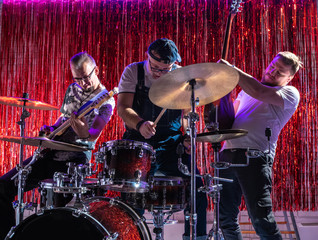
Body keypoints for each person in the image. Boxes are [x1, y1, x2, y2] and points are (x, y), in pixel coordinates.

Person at [0, 51, 115, 239]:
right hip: (50, 153)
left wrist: (84, 132)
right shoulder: (72, 89)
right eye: (78, 79)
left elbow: (92, 135)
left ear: (97, 70)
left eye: (86, 77)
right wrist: (50, 129)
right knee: (3, 187)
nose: (83, 83)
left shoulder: (106, 100)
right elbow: (62, 120)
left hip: (74, 161)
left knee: (55, 215)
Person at [117, 38, 207, 240]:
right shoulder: (133, 71)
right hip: (138, 140)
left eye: (164, 69)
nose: (158, 73)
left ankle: (196, 237)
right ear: (147, 56)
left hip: (172, 142)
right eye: (155, 67)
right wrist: (140, 124)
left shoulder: (182, 77)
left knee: (197, 188)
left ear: (173, 64)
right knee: (132, 195)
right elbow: (123, 108)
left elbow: (186, 115)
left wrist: (187, 137)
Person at [217, 52, 302, 240]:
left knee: (261, 219)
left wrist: (231, 70)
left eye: (280, 72)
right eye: (272, 66)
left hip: (254, 158)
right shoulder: (246, 89)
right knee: (225, 219)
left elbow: (259, 92)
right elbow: (230, 118)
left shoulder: (290, 93)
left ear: (289, 78)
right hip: (227, 156)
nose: (272, 72)